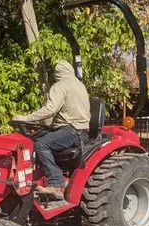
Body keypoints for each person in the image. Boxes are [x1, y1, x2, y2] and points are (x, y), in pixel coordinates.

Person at [13, 60, 91, 199]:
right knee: (36, 138)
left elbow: (50, 110)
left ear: (57, 73)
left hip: (72, 131)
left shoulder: (60, 86)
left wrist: (27, 118)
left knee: (41, 145)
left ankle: (56, 184)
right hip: (81, 131)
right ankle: (35, 178)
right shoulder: (80, 85)